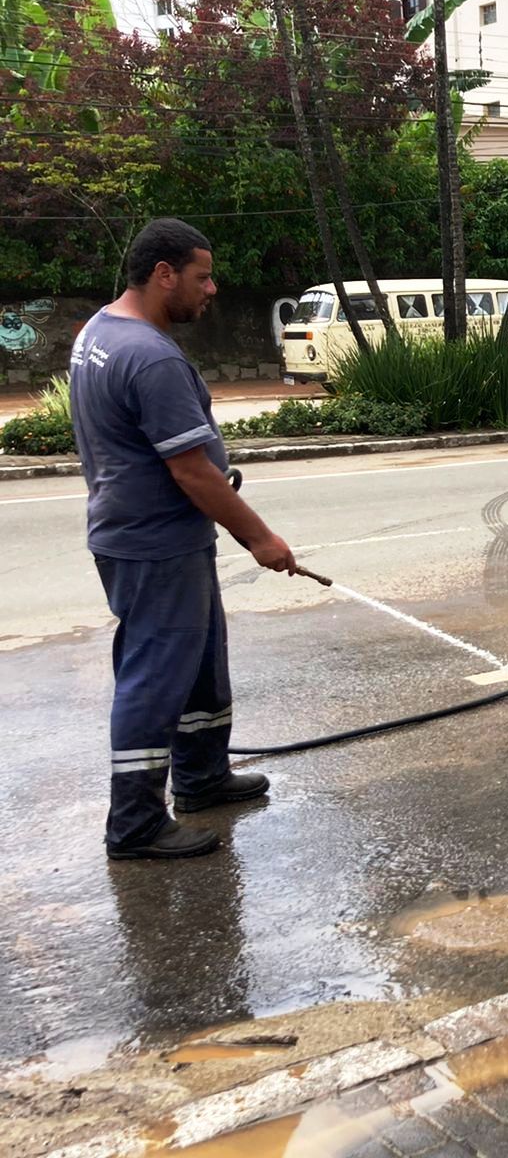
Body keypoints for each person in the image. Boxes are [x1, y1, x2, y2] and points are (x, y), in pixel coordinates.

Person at [72, 218, 297, 860]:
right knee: (154, 677)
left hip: (151, 533)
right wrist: (261, 539)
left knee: (199, 661)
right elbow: (191, 468)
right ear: (164, 274)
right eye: (201, 276)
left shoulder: (100, 332)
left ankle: (201, 778)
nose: (212, 288)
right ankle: (136, 823)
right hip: (153, 544)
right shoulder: (150, 355)